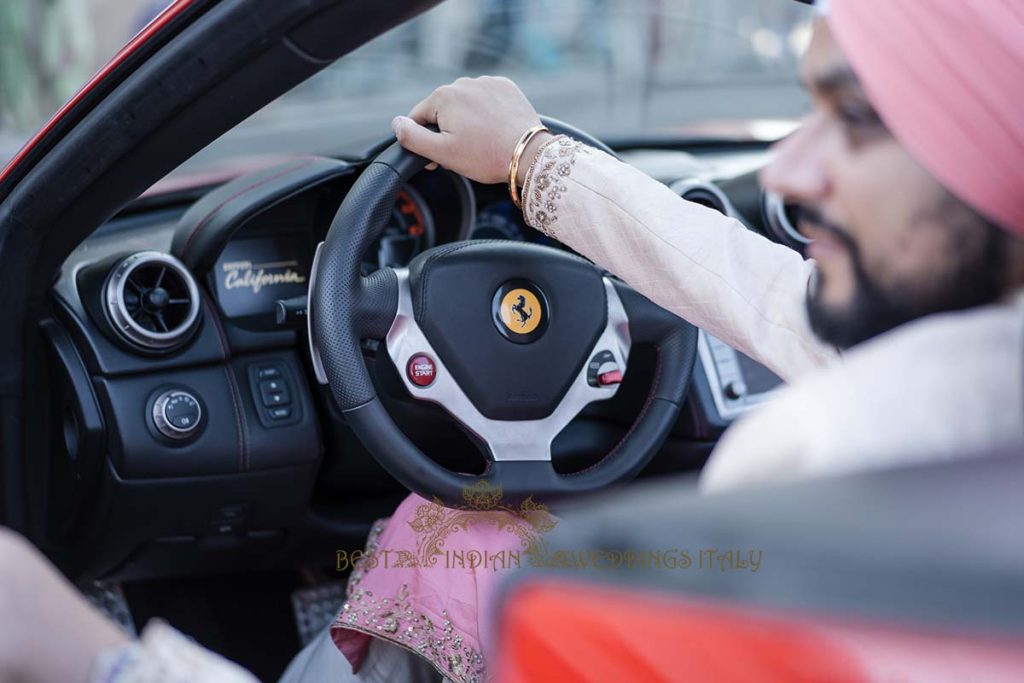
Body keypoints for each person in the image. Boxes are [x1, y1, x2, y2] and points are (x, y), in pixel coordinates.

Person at [1, 1, 1022, 681]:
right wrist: (533, 161)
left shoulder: (845, 466)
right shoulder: (967, 397)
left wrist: (101, 657)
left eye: (856, 120)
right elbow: (764, 294)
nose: (789, 176)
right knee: (456, 529)